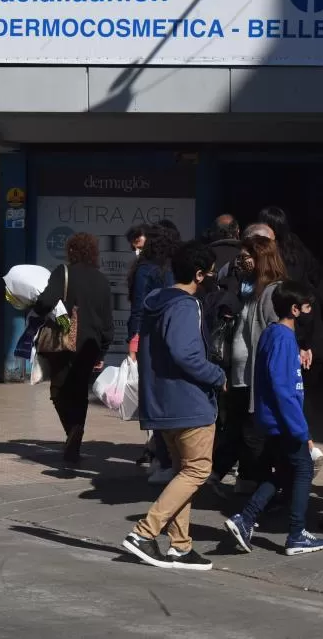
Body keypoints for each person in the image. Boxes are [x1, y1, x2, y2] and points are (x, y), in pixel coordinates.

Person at [122, 241, 225, 572]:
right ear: (198, 274)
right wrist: (216, 374)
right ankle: (144, 532)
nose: (213, 279)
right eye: (210, 273)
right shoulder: (185, 306)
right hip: (188, 402)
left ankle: (180, 546)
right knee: (197, 470)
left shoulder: (156, 301)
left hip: (163, 403)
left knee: (183, 473)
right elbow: (186, 354)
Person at [224, 280, 323, 556]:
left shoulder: (273, 334)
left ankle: (245, 518)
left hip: (275, 420)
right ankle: (296, 534)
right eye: (307, 307)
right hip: (284, 422)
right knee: (303, 470)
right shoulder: (282, 338)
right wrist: (302, 432)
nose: (310, 313)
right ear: (295, 310)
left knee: (285, 471)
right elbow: (283, 390)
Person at [257, 206, 323, 471]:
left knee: (289, 394)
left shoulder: (280, 259)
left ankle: (305, 447)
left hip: (299, 336)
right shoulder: (302, 253)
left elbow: (294, 306)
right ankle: (304, 446)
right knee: (300, 394)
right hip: (311, 336)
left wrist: (301, 344)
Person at [208, 235, 287, 496]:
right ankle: (233, 478)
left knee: (253, 433)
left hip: (258, 374)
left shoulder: (273, 292)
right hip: (241, 372)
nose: (241, 262)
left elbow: (275, 336)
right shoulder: (246, 288)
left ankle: (258, 486)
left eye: (246, 256)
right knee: (237, 428)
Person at [33, 233, 114, 464]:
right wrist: (103, 351)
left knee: (58, 392)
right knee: (79, 393)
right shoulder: (102, 280)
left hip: (65, 342)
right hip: (91, 345)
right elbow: (108, 321)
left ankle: (73, 432)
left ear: (71, 251)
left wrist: (37, 307)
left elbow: (46, 302)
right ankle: (75, 436)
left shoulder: (63, 272)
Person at [127, 223, 180, 478]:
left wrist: (133, 340)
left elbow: (138, 308)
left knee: (156, 399)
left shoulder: (145, 269)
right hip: (177, 336)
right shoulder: (177, 267)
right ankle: (173, 457)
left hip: (152, 339)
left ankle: (163, 459)